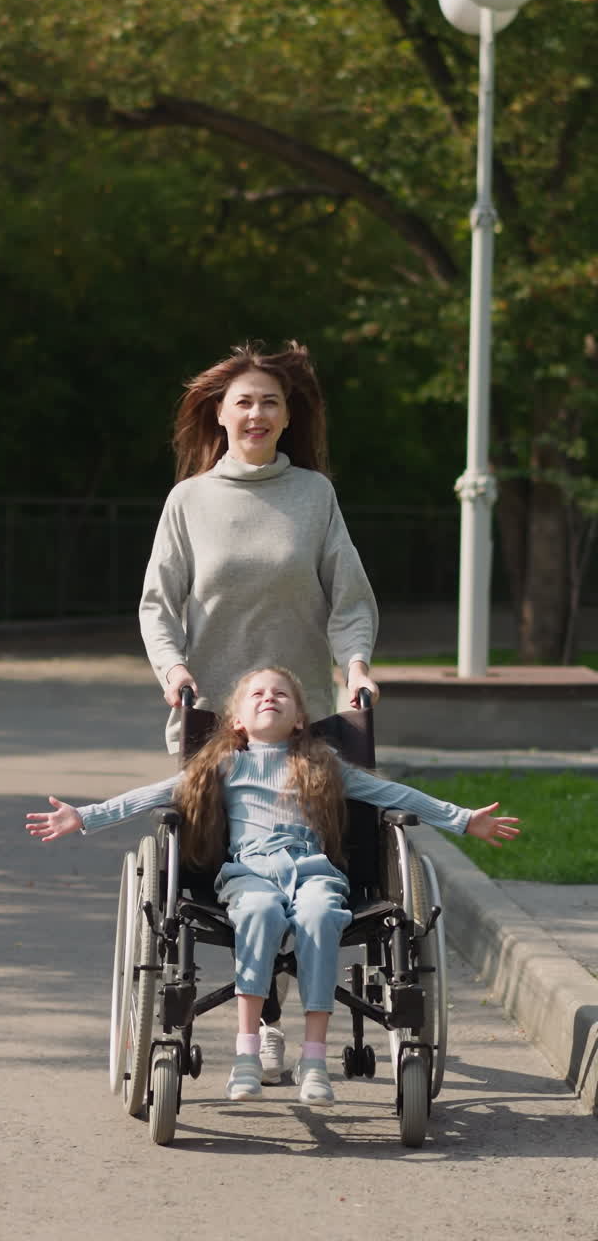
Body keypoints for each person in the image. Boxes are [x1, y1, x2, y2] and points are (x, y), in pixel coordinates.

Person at [25, 666, 520, 1108]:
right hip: (250, 873)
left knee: (323, 915)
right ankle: (245, 1056)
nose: (268, 697)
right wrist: (84, 817)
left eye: (280, 693)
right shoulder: (223, 765)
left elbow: (393, 793)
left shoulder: (325, 767)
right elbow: (154, 795)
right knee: (259, 912)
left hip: (313, 870)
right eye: (256, 693)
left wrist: (462, 820)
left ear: (300, 718)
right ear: (237, 719)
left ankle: (314, 1059)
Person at [139, 340, 380, 1074]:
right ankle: (264, 1013)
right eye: (243, 400)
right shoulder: (189, 501)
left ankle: (276, 1009)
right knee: (230, 858)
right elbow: (159, 604)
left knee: (299, 855)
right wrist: (174, 668)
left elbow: (348, 600)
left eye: (270, 401)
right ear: (220, 412)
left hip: (298, 716)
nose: (256, 412)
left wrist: (357, 665)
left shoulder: (315, 497)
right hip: (214, 715)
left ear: (287, 416)